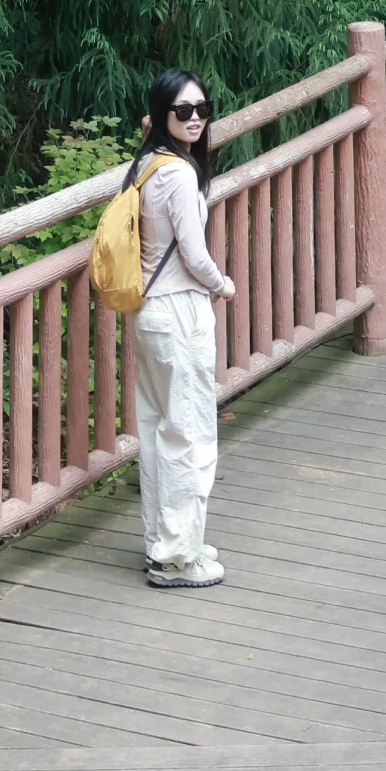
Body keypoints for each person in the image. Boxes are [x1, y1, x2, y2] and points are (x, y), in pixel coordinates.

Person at [126, 68, 236, 588]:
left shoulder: (146, 164)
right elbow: (194, 254)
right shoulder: (179, 174)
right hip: (179, 313)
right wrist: (223, 284)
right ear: (162, 116)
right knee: (189, 434)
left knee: (158, 431)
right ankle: (177, 558)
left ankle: (166, 542)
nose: (195, 119)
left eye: (201, 109)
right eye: (183, 111)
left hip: (147, 314)